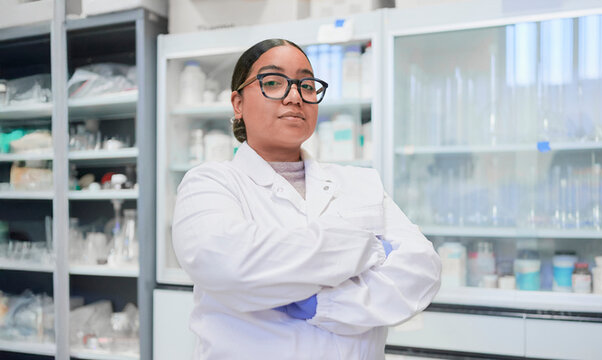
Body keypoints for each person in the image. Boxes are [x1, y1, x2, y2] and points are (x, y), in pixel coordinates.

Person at [171, 38, 442, 360]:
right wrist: (368, 248)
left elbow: (422, 273)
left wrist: (322, 305)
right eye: (273, 82)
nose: (296, 96)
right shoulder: (211, 183)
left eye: (307, 85)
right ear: (238, 103)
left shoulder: (360, 181)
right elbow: (228, 263)